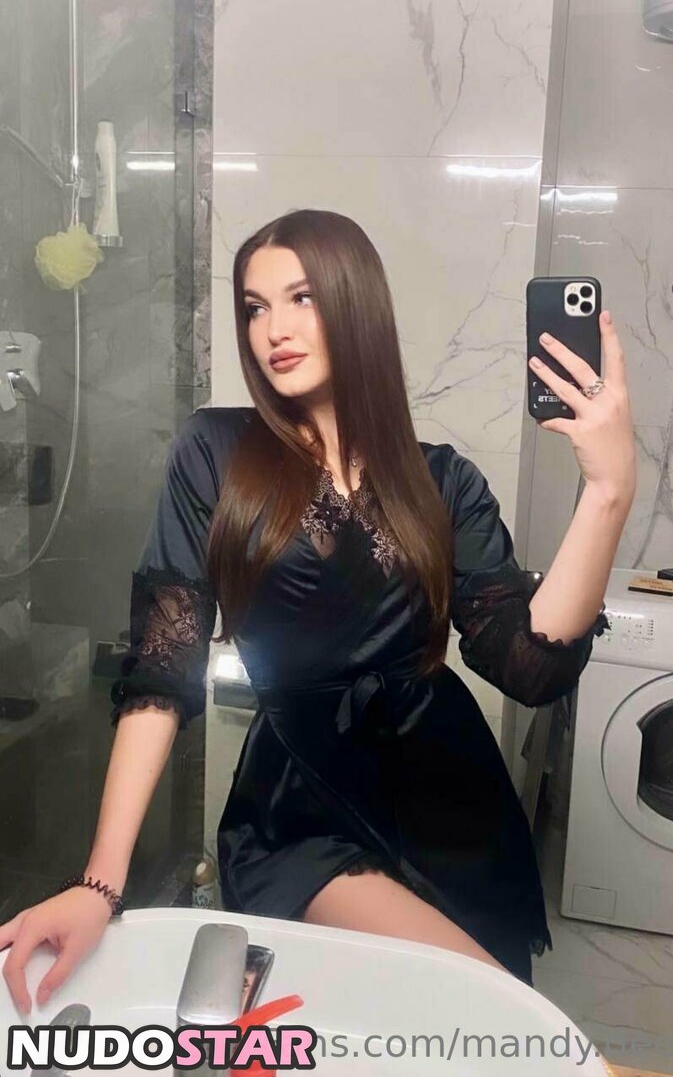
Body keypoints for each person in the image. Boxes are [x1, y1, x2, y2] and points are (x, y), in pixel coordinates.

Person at [0, 209, 635, 1013]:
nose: (273, 328)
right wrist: (100, 881)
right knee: (480, 1003)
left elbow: (527, 668)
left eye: (301, 298)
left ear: (355, 304)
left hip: (453, 802)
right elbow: (162, 669)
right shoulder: (214, 451)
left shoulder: (445, 481)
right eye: (254, 307)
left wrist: (607, 493)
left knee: (458, 1039)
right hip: (300, 804)